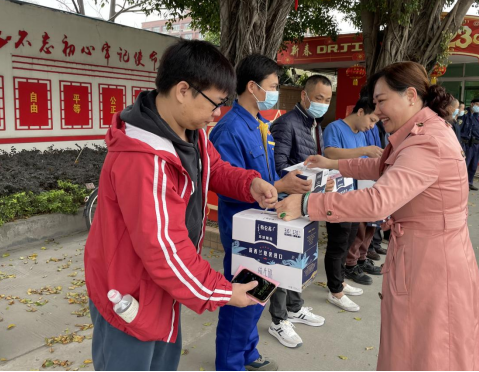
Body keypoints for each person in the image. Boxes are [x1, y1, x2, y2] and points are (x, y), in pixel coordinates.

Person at [84, 40, 279, 372]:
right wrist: (223, 292)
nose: (217, 114)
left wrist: (249, 183)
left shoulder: (190, 133)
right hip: (129, 290)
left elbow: (215, 168)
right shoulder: (143, 160)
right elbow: (164, 248)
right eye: (214, 103)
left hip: (162, 286)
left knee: (163, 359)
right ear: (183, 90)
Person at [276, 61, 479, 371]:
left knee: (429, 351)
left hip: (432, 263)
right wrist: (333, 164)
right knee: (412, 345)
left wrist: (307, 204)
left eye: (382, 101)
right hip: (424, 253)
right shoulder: (420, 131)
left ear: (410, 95)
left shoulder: (428, 140)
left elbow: (378, 200)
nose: (377, 111)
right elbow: (381, 166)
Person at [210, 54, 313, 368]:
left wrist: (288, 182)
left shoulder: (260, 125)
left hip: (264, 225)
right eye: (273, 85)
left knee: (259, 295)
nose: (276, 92)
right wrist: (280, 185)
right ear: (252, 87)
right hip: (243, 230)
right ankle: (230, 364)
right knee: (243, 297)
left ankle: (248, 353)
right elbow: (227, 183)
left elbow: (267, 176)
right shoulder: (229, 129)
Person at [268, 75, 335, 348]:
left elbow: (314, 162)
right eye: (319, 98)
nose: (323, 104)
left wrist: (323, 179)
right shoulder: (286, 124)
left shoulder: (315, 124)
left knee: (299, 260)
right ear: (304, 96)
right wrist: (312, 178)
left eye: (327, 100)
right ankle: (278, 320)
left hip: (307, 201)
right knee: (282, 262)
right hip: (287, 203)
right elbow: (278, 166)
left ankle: (295, 308)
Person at [322, 96, 381, 311]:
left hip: (355, 196)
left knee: (349, 239)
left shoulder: (361, 134)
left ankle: (340, 282)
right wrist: (364, 151)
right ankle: (335, 291)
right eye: (372, 120)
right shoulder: (335, 128)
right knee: (337, 243)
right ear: (361, 112)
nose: (372, 126)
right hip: (337, 196)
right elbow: (330, 153)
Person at [460, 98, 479, 191]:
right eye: (478, 106)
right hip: (467, 143)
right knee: (465, 164)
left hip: (476, 143)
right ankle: (462, 184)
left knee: (474, 165)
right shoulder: (465, 114)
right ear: (472, 104)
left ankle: (470, 183)